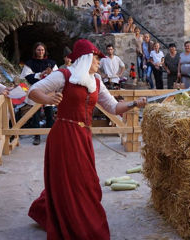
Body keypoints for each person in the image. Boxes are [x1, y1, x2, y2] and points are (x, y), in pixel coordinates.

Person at [27, 39, 147, 239]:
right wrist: (48, 99)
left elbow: (113, 107)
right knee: (71, 180)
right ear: (85, 58)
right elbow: (33, 90)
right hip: (64, 135)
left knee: (86, 181)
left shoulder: (96, 82)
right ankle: (77, 225)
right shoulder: (64, 75)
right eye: (96, 57)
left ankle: (57, 211)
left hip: (83, 137)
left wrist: (135, 103)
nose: (99, 61)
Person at [20, 42, 58, 145]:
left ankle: (51, 135)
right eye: (38, 50)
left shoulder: (51, 63)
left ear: (45, 51)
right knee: (35, 115)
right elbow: (28, 77)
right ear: (35, 51)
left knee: (49, 114)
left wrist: (50, 74)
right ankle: (37, 136)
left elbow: (57, 77)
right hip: (35, 91)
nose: (41, 52)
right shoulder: (29, 63)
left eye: (42, 50)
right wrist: (40, 74)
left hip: (48, 91)